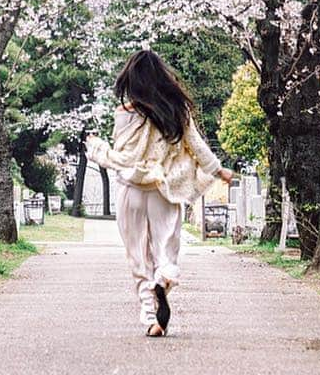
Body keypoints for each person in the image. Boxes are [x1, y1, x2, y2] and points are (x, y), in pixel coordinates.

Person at [86, 48, 233, 337]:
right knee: (166, 248)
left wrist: (98, 149)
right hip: (163, 190)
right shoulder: (177, 111)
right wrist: (219, 171)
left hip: (131, 190)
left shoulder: (124, 113)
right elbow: (198, 145)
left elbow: (122, 152)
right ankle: (164, 279)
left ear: (131, 80)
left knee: (137, 255)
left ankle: (150, 316)